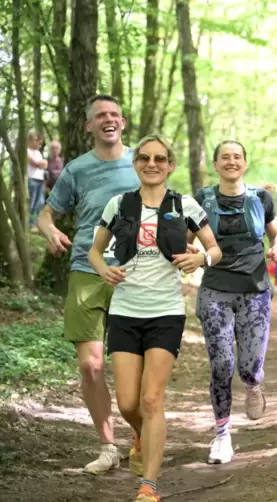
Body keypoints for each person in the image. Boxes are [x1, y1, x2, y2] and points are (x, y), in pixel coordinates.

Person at [89, 134, 221, 502]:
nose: (152, 163)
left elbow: (215, 249)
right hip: (125, 312)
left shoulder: (185, 205)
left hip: (165, 312)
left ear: (170, 164)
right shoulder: (119, 204)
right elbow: (96, 252)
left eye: (159, 158)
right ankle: (142, 435)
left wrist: (201, 259)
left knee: (151, 400)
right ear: (136, 164)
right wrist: (103, 271)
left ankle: (149, 485)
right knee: (129, 403)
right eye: (144, 158)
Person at [38, 94, 140, 474]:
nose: (108, 120)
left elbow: (168, 210)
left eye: (114, 114)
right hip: (86, 269)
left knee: (136, 365)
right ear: (89, 125)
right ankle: (108, 447)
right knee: (91, 365)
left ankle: (144, 437)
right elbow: (47, 213)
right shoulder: (77, 169)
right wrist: (50, 231)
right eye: (100, 116)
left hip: (136, 272)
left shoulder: (142, 162)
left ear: (123, 122)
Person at [193, 140, 277, 465]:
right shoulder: (202, 199)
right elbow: (188, 238)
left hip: (255, 290)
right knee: (221, 365)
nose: (231, 162)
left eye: (237, 157)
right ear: (216, 165)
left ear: (244, 162)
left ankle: (254, 383)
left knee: (248, 367)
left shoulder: (261, 198)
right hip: (215, 289)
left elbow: (275, 233)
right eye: (225, 157)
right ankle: (222, 435)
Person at [27, 131, 48, 225]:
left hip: (40, 180)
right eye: (35, 140)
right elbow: (35, 163)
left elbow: (45, 165)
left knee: (40, 202)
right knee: (32, 202)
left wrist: (41, 164)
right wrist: (40, 164)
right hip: (32, 179)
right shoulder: (26, 151)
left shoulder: (38, 153)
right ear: (30, 140)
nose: (37, 143)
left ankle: (35, 222)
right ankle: (30, 223)